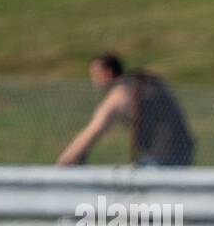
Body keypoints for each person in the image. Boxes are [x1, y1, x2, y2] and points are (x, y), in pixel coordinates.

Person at [57, 54, 195, 166]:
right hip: (184, 151)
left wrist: (65, 160)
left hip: (161, 157)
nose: (93, 81)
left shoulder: (120, 94)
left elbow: (94, 130)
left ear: (108, 72)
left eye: (95, 74)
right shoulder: (141, 83)